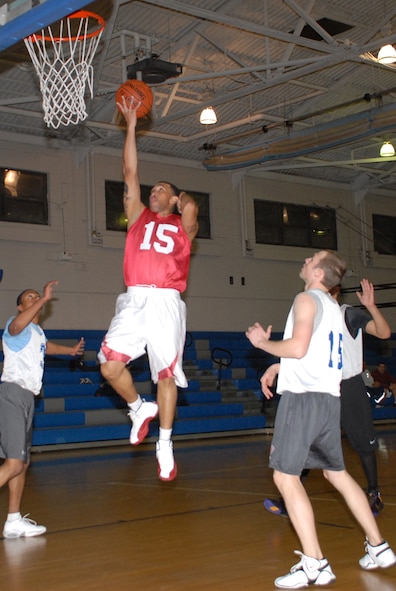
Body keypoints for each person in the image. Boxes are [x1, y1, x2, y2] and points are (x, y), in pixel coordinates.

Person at [246, 251, 396, 589]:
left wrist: (263, 344)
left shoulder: (305, 298)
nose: (306, 258)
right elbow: (311, 352)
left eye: (312, 257)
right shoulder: (333, 308)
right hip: (329, 398)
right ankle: (378, 546)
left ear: (318, 271)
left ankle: (314, 563)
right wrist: (280, 366)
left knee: (285, 478)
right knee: (336, 473)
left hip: (303, 400)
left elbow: (298, 347)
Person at [98, 95, 199, 482]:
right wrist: (131, 127)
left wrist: (178, 195)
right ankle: (139, 407)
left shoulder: (182, 225)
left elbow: (191, 208)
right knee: (109, 364)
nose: (152, 191)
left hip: (166, 300)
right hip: (134, 297)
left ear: (173, 199)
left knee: (167, 375)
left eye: (161, 189)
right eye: (152, 188)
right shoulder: (137, 216)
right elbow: (128, 171)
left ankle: (166, 442)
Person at [264, 279, 391, 517]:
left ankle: (374, 494)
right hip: (321, 386)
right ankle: (289, 497)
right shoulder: (313, 316)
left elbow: (383, 333)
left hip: (349, 385)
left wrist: (371, 307)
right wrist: (279, 368)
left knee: (363, 444)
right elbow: (305, 354)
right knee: (308, 445)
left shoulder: (346, 314)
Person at [0, 281, 85, 538]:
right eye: (30, 296)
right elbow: (16, 327)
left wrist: (70, 351)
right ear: (20, 306)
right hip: (12, 394)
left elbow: (45, 348)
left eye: (36, 295)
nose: (35, 297)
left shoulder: (36, 332)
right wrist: (44, 299)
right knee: (14, 464)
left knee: (22, 464)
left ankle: (13, 521)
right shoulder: (15, 325)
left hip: (28, 397)